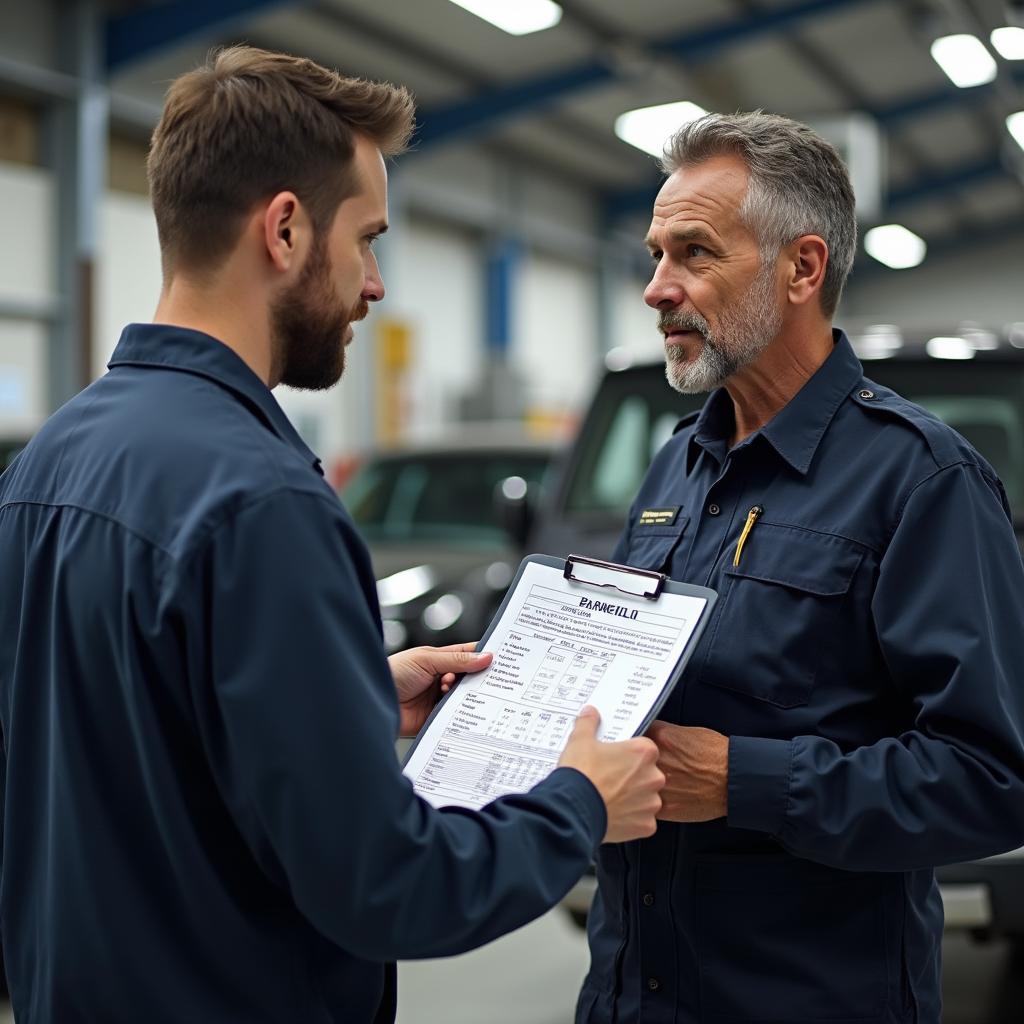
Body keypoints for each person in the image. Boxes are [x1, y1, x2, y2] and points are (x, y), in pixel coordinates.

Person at [0, 46, 666, 1023]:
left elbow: (108, 745)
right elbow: (388, 885)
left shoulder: (47, 463)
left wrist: (348, 693)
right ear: (283, 229)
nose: (376, 284)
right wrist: (577, 799)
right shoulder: (262, 502)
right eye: (367, 239)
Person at [577, 111, 1024, 1024]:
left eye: (694, 253)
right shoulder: (675, 464)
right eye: (655, 254)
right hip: (635, 990)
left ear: (802, 269)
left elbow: (993, 780)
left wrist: (745, 782)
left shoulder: (921, 481)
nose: (659, 288)